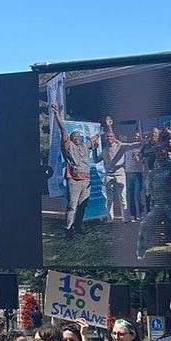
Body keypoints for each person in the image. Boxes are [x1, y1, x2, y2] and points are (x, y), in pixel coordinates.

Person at [51, 101, 100, 239]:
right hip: (74, 181)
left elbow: (94, 138)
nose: (77, 138)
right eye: (75, 137)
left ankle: (78, 226)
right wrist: (56, 113)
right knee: (72, 206)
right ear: (71, 139)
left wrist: (104, 130)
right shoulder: (68, 146)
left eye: (79, 137)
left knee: (82, 205)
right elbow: (63, 129)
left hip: (86, 182)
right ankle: (68, 229)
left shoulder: (84, 146)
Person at [98, 119, 140, 223]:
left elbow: (132, 145)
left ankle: (125, 219)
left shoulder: (120, 146)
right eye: (107, 137)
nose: (108, 138)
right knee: (109, 199)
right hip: (108, 175)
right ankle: (110, 218)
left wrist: (143, 142)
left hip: (120, 174)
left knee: (122, 198)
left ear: (114, 137)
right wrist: (94, 149)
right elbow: (96, 160)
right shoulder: (104, 150)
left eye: (110, 136)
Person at [124, 130, 147, 222]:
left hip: (138, 173)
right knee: (130, 195)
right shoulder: (127, 147)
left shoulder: (142, 148)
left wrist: (139, 159)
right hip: (128, 173)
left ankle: (141, 214)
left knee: (139, 195)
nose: (135, 137)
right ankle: (133, 215)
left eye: (137, 136)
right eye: (134, 136)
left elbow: (144, 161)